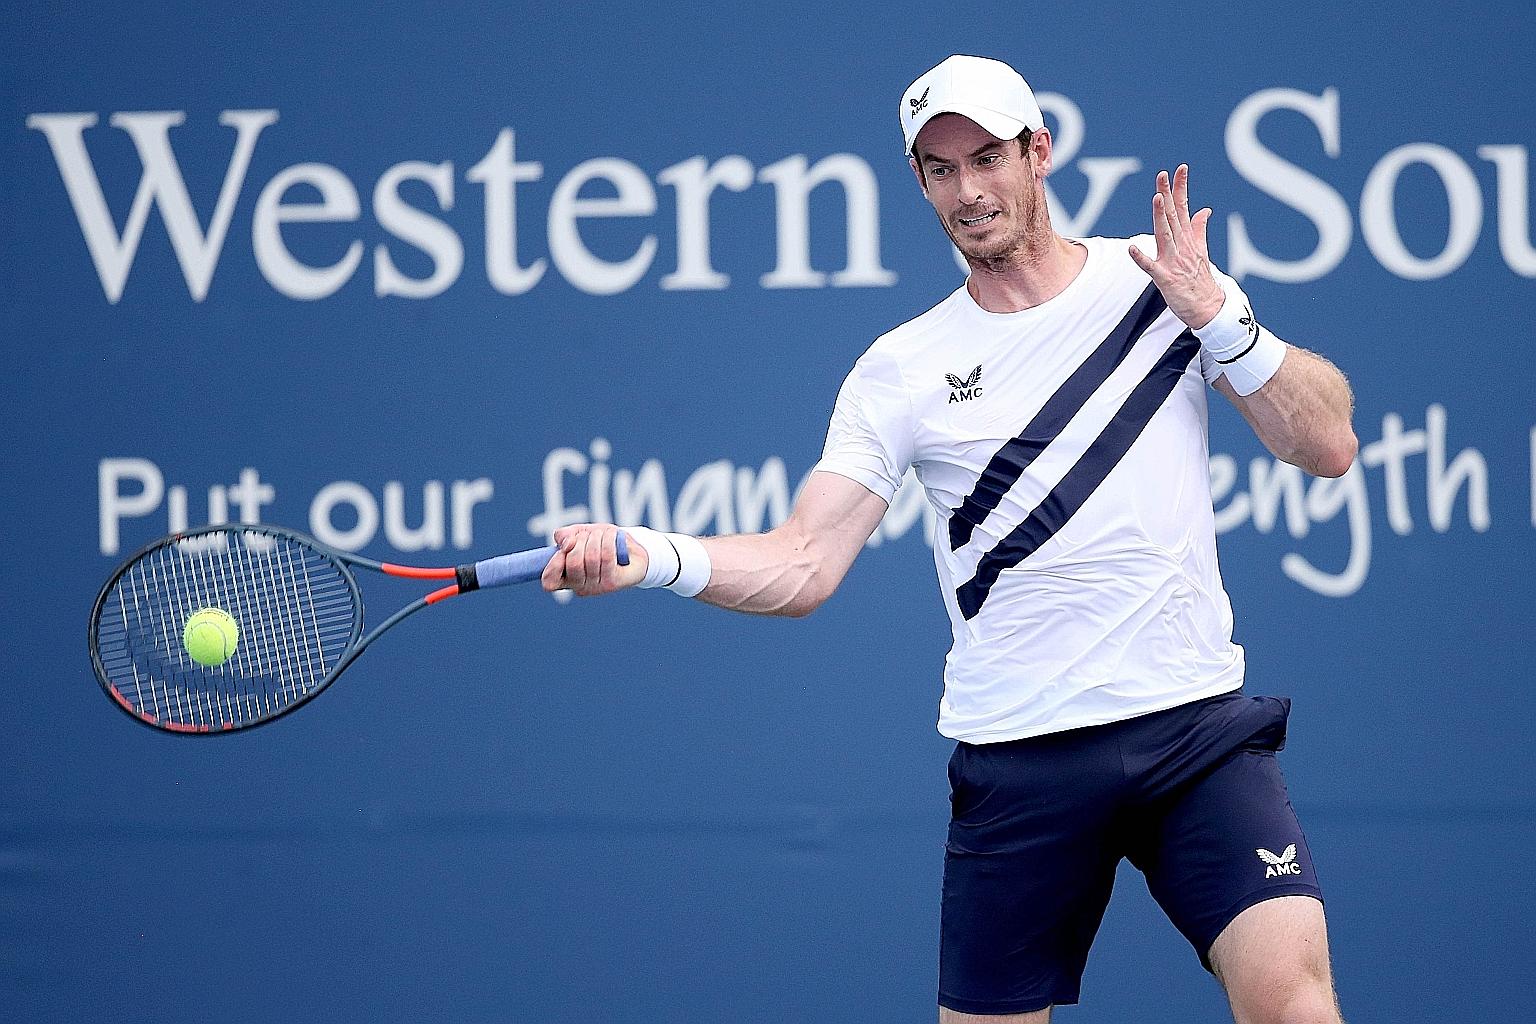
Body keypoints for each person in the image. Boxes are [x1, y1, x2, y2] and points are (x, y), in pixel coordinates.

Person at [542, 54, 1357, 1024]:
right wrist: (651, 556)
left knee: (1291, 999)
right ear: (920, 182)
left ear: (1037, 152)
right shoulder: (901, 369)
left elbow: (1329, 443)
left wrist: (1223, 320)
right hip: (1019, 755)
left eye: (986, 158)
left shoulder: (1164, 284)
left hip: (1193, 729)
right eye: (938, 168)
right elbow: (806, 561)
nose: (968, 190)